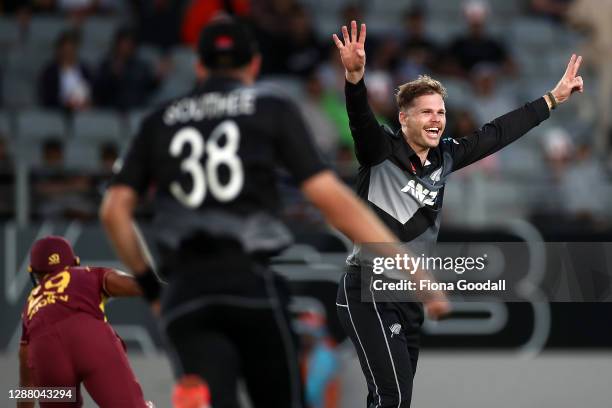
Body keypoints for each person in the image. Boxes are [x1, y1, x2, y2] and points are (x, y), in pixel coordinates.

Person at [99, 16, 448, 408]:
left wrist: (151, 288)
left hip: (186, 292)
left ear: (198, 66)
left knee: (213, 394)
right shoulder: (270, 108)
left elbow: (114, 211)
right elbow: (328, 196)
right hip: (249, 282)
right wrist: (411, 267)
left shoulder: (158, 120)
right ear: (253, 65)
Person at [332, 20, 583, 407]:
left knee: (391, 401)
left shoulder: (445, 156)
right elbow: (360, 120)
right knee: (392, 399)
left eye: (441, 112)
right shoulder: (378, 148)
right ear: (403, 118)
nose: (436, 119)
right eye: (427, 112)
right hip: (368, 289)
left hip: (409, 295)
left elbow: (497, 133)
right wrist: (354, 78)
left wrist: (552, 99)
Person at [18, 236, 151, 408]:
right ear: (74, 263)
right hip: (88, 339)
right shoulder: (85, 273)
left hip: (45, 352)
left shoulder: (30, 304)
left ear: (34, 272)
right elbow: (131, 284)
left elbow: (25, 366)